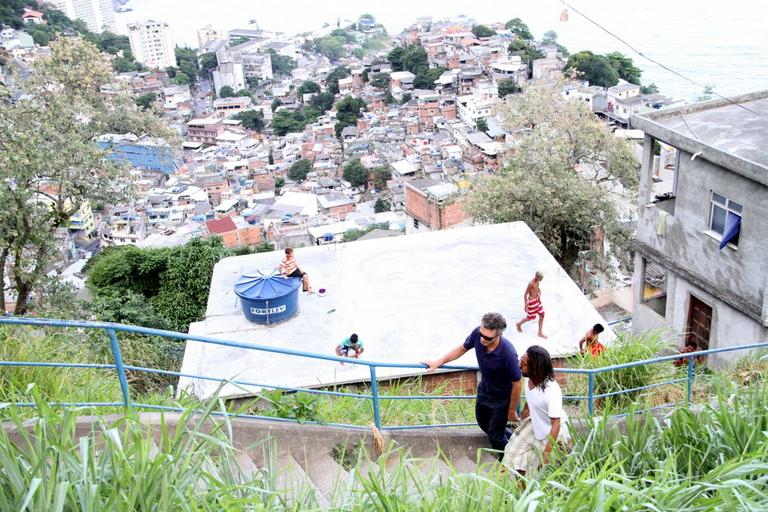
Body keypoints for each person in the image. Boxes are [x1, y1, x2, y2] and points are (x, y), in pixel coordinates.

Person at [423, 312, 522, 455]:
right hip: (485, 391)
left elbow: (518, 383)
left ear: (498, 335)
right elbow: (462, 348)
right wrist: (439, 361)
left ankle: (511, 462)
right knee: (483, 422)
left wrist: (511, 411)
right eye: (481, 334)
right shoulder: (478, 334)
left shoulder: (508, 353)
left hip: (503, 399)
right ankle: (513, 442)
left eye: (487, 337)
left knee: (495, 436)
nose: (482, 339)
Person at [502, 345, 570, 475]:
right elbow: (533, 395)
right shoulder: (530, 379)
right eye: (521, 360)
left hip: (554, 434)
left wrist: (546, 454)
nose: (520, 365)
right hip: (535, 424)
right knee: (511, 453)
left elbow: (556, 424)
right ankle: (520, 490)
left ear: (535, 367)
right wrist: (526, 409)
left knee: (549, 472)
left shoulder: (551, 390)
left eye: (524, 363)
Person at [515, 272, 547, 338]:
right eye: (537, 278)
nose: (538, 280)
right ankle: (519, 324)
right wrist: (525, 305)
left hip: (537, 300)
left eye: (539, 279)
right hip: (532, 302)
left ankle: (540, 332)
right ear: (536, 276)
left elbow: (536, 288)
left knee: (542, 315)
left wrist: (539, 290)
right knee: (530, 317)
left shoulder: (538, 282)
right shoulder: (531, 283)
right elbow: (525, 294)